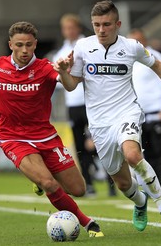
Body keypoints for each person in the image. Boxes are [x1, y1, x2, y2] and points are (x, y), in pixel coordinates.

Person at [54, 0, 161, 231]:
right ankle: (140, 202)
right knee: (123, 183)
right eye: (96, 25)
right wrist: (64, 73)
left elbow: (158, 65)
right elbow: (70, 85)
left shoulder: (132, 46)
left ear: (118, 24)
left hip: (127, 112)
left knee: (133, 155)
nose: (101, 30)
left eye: (106, 24)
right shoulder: (83, 47)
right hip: (99, 124)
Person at [0, 21, 103, 237]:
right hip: (13, 138)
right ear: (11, 44)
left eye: (29, 45)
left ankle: (38, 179)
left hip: (46, 137)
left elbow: (70, 86)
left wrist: (63, 71)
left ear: (35, 45)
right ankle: (88, 223)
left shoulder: (45, 68)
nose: (24, 50)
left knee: (78, 189)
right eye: (20, 45)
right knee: (48, 182)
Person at [52, 13, 97, 196]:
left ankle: (113, 183)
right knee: (79, 146)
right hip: (73, 105)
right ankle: (90, 184)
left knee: (101, 143)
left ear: (78, 28)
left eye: (72, 27)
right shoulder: (60, 53)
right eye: (66, 28)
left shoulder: (89, 46)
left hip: (92, 102)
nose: (69, 31)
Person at [128, 28, 161, 195]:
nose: (137, 44)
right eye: (133, 41)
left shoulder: (154, 56)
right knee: (142, 153)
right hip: (136, 114)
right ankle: (148, 187)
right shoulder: (127, 59)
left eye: (139, 40)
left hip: (155, 111)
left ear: (145, 40)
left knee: (159, 151)